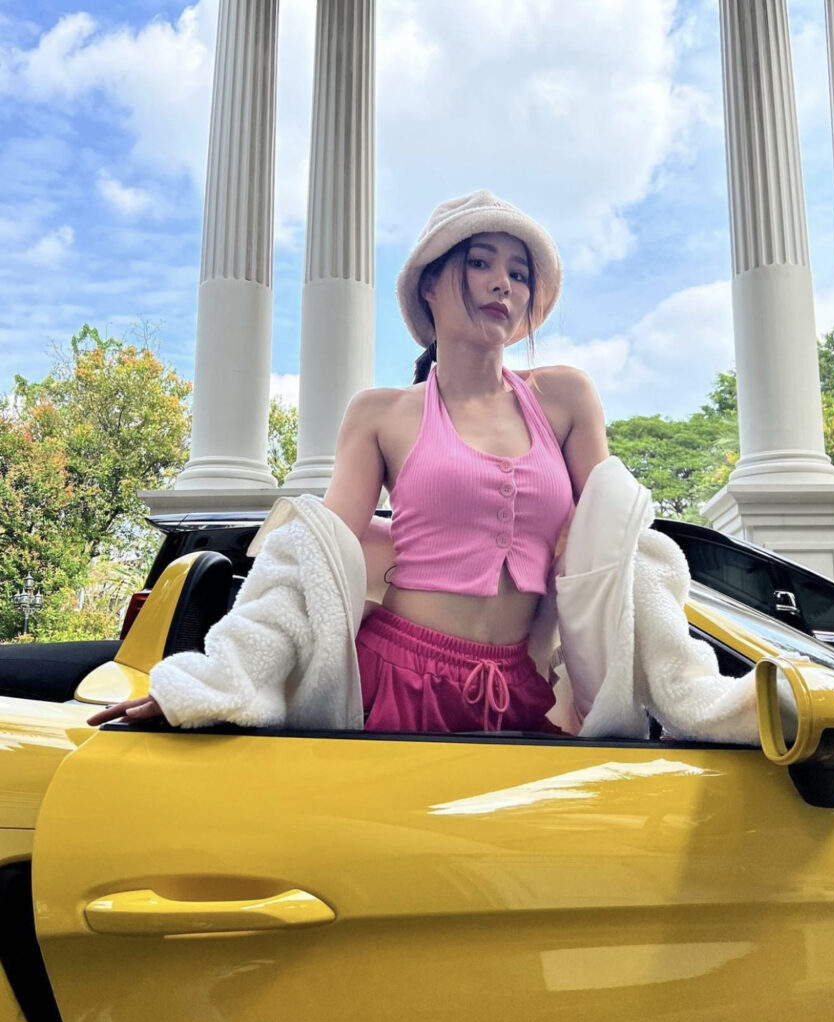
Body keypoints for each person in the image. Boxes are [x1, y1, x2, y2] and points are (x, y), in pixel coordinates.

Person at [89, 190, 609, 734]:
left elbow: (617, 550)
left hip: (519, 691)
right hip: (396, 679)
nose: (503, 283)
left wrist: (665, 678)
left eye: (519, 273)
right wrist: (218, 679)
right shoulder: (380, 414)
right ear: (428, 285)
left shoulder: (565, 398)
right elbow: (312, 555)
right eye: (479, 263)